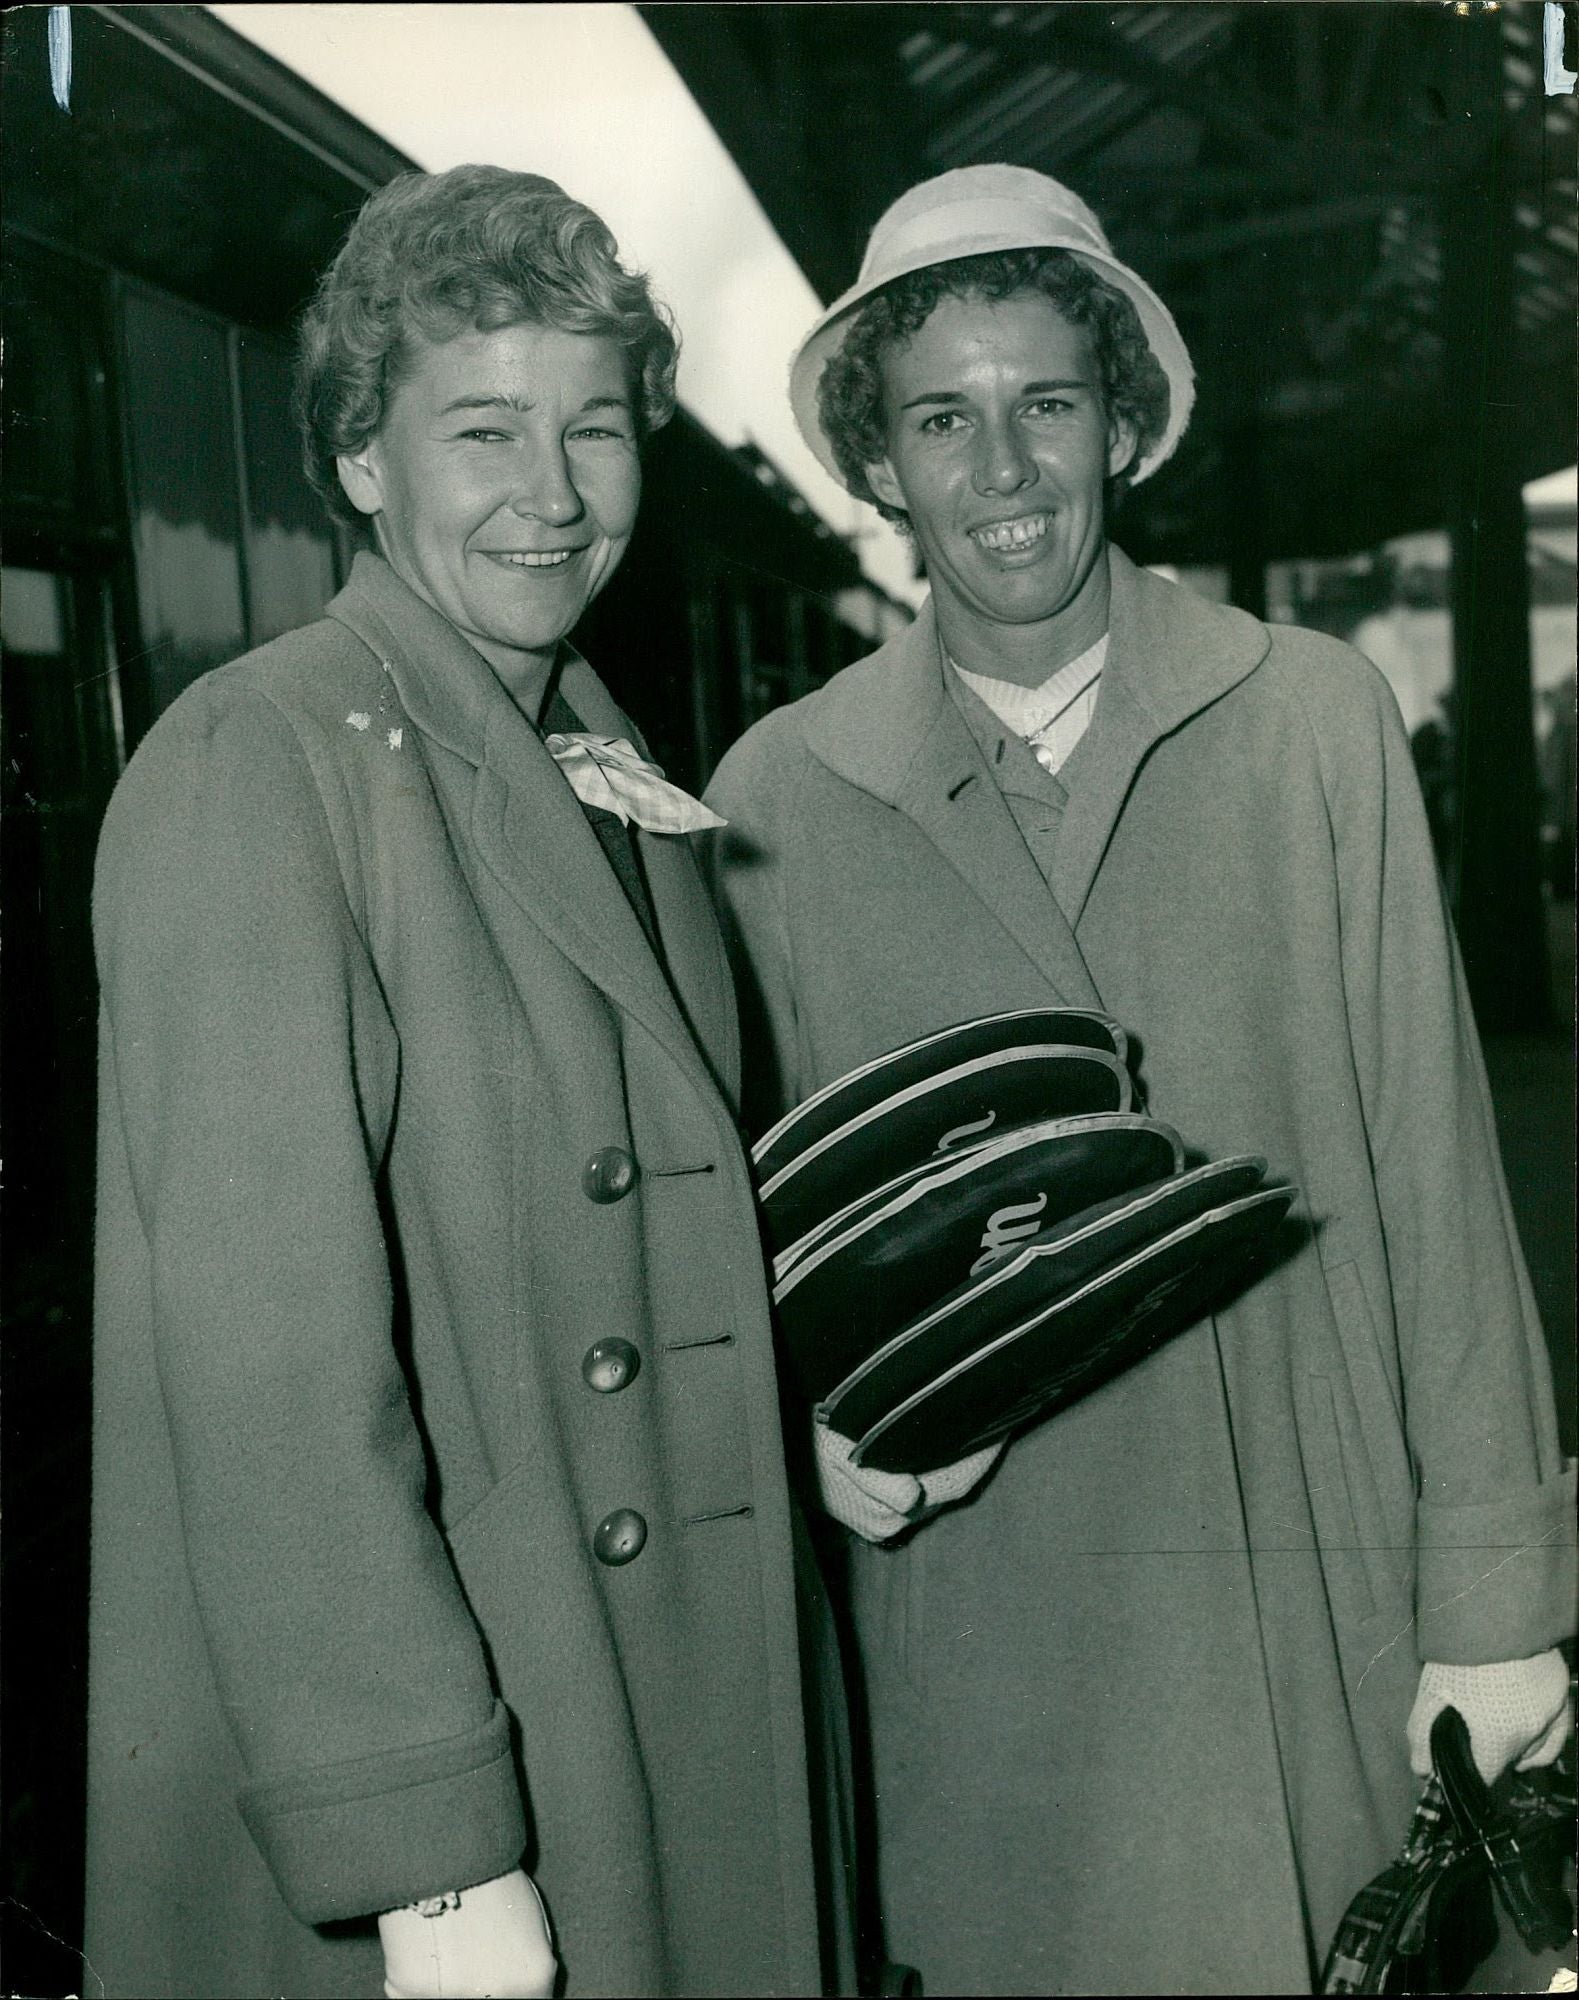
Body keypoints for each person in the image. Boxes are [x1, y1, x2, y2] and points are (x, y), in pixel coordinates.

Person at [705, 165, 1575, 1995]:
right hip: (983, 1607)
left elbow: (1435, 1168)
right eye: (943, 417)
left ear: (1123, 424)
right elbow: (764, 1248)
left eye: (1049, 404)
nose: (1004, 470)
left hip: (1308, 1572)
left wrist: (1500, 1604)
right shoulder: (782, 796)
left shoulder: (1310, 720)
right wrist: (813, 1444)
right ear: (880, 454)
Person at [86, 165, 850, 2000]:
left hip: (640, 1672)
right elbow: (274, 1380)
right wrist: (427, 1857)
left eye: (597, 426)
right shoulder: (262, 758)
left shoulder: (595, 750)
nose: (557, 493)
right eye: (485, 428)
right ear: (360, 456)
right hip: (487, 1726)